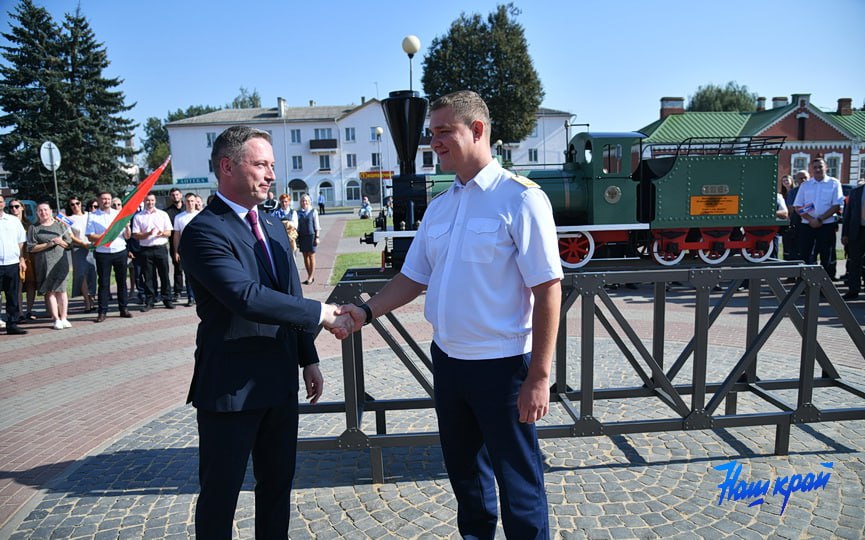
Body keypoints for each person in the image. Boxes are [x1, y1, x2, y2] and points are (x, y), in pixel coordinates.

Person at [342, 91, 562, 539]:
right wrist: (366, 311)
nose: (434, 142)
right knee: (467, 481)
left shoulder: (520, 199)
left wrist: (539, 375)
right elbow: (412, 278)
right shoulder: (441, 206)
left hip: (504, 368)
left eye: (445, 131)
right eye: (432, 133)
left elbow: (548, 288)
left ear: (477, 130)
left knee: (518, 482)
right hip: (449, 362)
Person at [180, 125, 353, 537]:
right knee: (221, 493)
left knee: (277, 486)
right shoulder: (204, 231)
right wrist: (324, 314)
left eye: (272, 165)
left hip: (277, 381)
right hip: (231, 388)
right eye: (261, 164)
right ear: (227, 167)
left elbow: (288, 292)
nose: (271, 174)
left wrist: (307, 359)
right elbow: (245, 296)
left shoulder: (274, 225)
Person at [793, 158, 844, 278]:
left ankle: (827, 284)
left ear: (826, 167)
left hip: (826, 225)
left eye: (820, 167)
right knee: (806, 255)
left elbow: (836, 205)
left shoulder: (834, 183)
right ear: (811, 169)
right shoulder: (805, 185)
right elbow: (798, 206)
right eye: (815, 167)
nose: (817, 169)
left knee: (827, 255)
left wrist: (820, 219)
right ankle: (806, 283)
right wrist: (811, 220)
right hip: (807, 225)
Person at [86, 192, 133, 322]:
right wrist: (106, 238)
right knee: (103, 283)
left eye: (108, 199)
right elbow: (90, 235)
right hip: (103, 253)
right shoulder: (92, 216)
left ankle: (123, 308)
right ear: (98, 201)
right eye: (103, 199)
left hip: (120, 251)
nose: (106, 201)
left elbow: (127, 236)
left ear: (111, 200)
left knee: (122, 281)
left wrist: (128, 227)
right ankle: (102, 311)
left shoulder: (119, 214)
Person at [26, 202, 73, 330]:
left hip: (60, 262)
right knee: (50, 291)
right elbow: (31, 248)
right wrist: (49, 244)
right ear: (37, 213)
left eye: (45, 210)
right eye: (40, 210)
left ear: (50, 211)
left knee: (62, 291)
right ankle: (56, 318)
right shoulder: (34, 228)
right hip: (44, 264)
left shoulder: (60, 226)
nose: (43, 213)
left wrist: (61, 242)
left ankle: (64, 317)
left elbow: (69, 245)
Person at [132, 193, 174, 311]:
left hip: (160, 248)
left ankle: (167, 299)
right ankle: (150, 300)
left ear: (155, 201)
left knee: (164, 275)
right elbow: (135, 235)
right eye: (147, 201)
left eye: (152, 200)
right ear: (144, 201)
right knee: (149, 277)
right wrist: (148, 234)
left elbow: (169, 232)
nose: (150, 203)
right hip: (146, 249)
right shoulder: (138, 217)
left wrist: (162, 233)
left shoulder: (162, 214)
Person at [0, 195, 28, 335]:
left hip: (12, 263)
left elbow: (21, 241)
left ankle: (12, 324)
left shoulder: (13, 221)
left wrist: (21, 259)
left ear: (3, 203)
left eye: (0, 201)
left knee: (12, 295)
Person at [65, 197, 96, 312]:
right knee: (81, 274)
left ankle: (92, 298)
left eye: (77, 203)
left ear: (81, 203)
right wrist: (82, 243)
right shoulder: (69, 219)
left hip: (92, 247)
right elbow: (70, 236)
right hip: (78, 249)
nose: (75, 206)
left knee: (92, 273)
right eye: (72, 204)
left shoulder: (89, 215)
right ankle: (87, 302)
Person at [7, 198, 37, 320]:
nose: (14, 209)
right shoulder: (7, 222)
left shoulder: (29, 224)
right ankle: (20, 312)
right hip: (16, 257)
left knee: (31, 284)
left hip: (29, 256)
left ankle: (29, 310)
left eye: (17, 206)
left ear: (22, 208)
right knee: (18, 285)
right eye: (11, 207)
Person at [172, 193, 200, 306]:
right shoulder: (179, 217)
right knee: (189, 274)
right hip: (186, 249)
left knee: (202, 274)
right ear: (185, 202)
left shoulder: (201, 215)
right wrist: (176, 251)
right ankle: (191, 297)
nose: (190, 203)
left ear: (196, 202)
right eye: (188, 201)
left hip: (200, 248)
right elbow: (176, 235)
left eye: (192, 201)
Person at [841, 181, 865, 300]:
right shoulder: (855, 192)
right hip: (857, 231)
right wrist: (845, 233)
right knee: (854, 262)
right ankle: (853, 290)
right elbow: (848, 214)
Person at [163, 187, 185, 301]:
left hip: (189, 244)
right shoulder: (167, 212)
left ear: (181, 195)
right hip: (174, 244)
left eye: (177, 194)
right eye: (173, 195)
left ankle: (192, 291)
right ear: (170, 197)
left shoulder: (187, 209)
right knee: (178, 268)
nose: (175, 197)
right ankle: (178, 291)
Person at [296, 194, 320, 284]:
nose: (304, 202)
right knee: (305, 256)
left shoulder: (313, 211)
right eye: (302, 200)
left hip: (311, 236)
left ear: (309, 202)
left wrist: (317, 237)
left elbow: (317, 226)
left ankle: (311, 276)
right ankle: (310, 275)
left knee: (311, 255)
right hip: (302, 236)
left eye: (306, 200)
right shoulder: (298, 213)